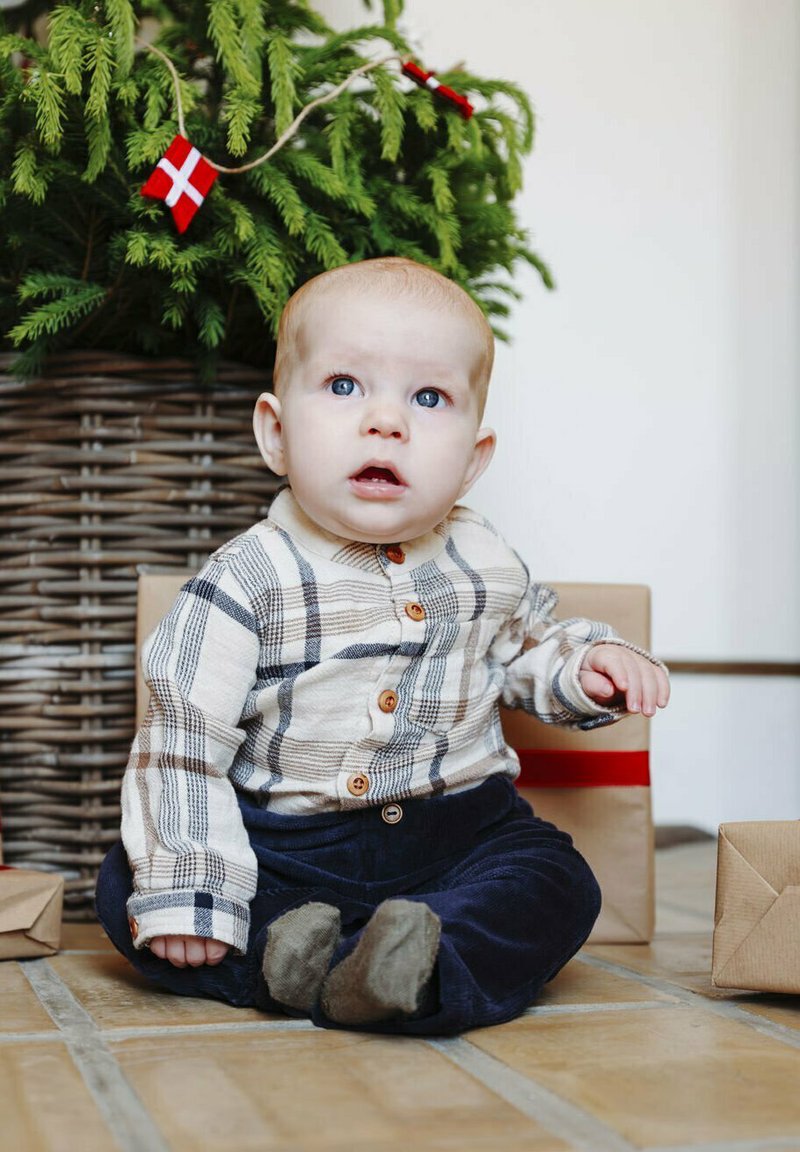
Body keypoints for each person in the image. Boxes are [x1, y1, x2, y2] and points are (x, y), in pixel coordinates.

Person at [96, 257, 669, 1035]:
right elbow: (183, 743)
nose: (386, 421)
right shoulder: (244, 579)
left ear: (471, 460)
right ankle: (294, 956)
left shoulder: (484, 558)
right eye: (343, 386)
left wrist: (586, 667)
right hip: (290, 847)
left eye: (429, 398)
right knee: (132, 882)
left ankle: (415, 963)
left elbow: (527, 644)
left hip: (460, 833)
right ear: (276, 433)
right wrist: (192, 887)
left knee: (558, 879)